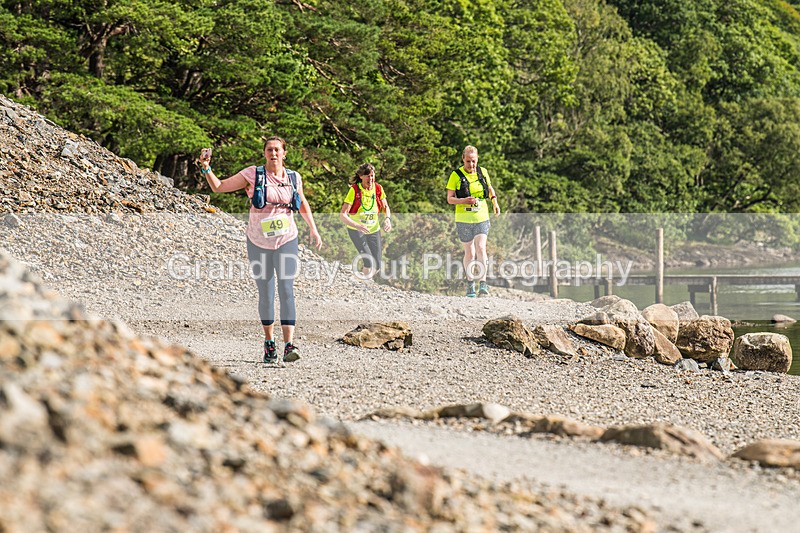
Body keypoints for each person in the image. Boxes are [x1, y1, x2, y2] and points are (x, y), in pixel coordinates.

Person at [198, 136, 322, 365]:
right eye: (269, 150)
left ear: (284, 153)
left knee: (286, 288)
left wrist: (313, 229)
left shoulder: (294, 177)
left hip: (286, 239)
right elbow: (219, 187)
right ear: (265, 153)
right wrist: (206, 167)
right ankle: (269, 342)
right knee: (266, 292)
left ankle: (289, 345)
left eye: (277, 150)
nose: (273, 153)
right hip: (258, 242)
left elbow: (303, 202)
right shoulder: (253, 174)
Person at [446, 145, 500, 297]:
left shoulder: (483, 172)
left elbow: (490, 188)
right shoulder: (455, 175)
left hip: (481, 217)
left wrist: (495, 203)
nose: (471, 164)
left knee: (481, 248)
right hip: (463, 219)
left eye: (474, 161)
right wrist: (464, 201)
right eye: (468, 161)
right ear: (463, 159)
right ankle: (470, 284)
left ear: (477, 159)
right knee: (470, 252)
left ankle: (483, 283)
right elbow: (450, 199)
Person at [339, 163, 392, 279]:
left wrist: (387, 219)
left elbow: (386, 207)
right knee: (369, 261)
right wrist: (356, 225)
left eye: (372, 176)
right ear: (361, 176)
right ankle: (363, 283)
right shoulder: (354, 190)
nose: (371, 179)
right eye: (368, 176)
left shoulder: (378, 188)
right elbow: (342, 215)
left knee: (377, 265)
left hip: (374, 229)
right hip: (356, 230)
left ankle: (362, 280)